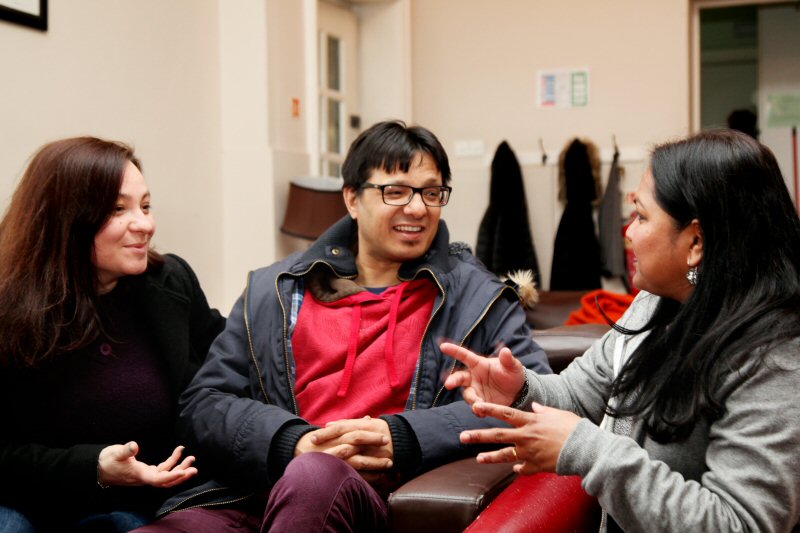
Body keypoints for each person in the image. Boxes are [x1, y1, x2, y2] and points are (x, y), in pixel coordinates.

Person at [134, 120, 551, 532]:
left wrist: (404, 437)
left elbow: (533, 402)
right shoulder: (275, 290)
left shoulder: (479, 298)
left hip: (374, 499)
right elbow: (204, 403)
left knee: (316, 477)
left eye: (431, 192)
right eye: (396, 191)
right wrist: (290, 442)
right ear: (352, 198)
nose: (418, 208)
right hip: (250, 493)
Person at [442, 129, 800, 532]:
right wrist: (522, 389)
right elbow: (580, 394)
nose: (627, 234)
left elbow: (739, 524)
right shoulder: (655, 302)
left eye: (642, 217)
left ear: (696, 241)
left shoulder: (775, 359)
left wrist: (588, 450)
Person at [0, 137, 226, 532]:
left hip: (132, 506)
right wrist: (95, 467)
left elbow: (232, 363)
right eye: (118, 209)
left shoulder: (170, 284)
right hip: (22, 497)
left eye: (146, 205)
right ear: (66, 218)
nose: (145, 224)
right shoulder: (9, 309)